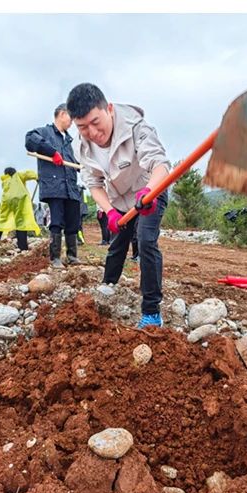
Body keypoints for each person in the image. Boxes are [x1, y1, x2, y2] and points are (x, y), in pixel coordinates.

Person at [67, 82, 171, 328]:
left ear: (109, 109)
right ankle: (108, 286)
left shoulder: (137, 128)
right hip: (120, 200)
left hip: (150, 191)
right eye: (83, 127)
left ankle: (151, 312)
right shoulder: (81, 146)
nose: (92, 132)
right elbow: (94, 184)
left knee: (145, 241)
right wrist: (110, 211)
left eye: (95, 122)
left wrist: (150, 192)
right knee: (118, 243)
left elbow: (160, 165)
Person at [25, 104, 84, 268]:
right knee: (56, 221)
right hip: (55, 185)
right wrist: (51, 152)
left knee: (73, 222)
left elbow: (77, 161)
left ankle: (72, 256)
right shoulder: (45, 132)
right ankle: (55, 258)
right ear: (62, 114)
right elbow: (29, 139)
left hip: (71, 187)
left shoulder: (70, 141)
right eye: (71, 117)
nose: (72, 122)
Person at [0, 166, 39, 252]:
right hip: (20, 200)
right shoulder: (18, 175)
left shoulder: (4, 180)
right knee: (21, 222)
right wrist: (37, 177)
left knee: (3, 218)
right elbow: (28, 173)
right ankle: (22, 246)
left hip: (7, 201)